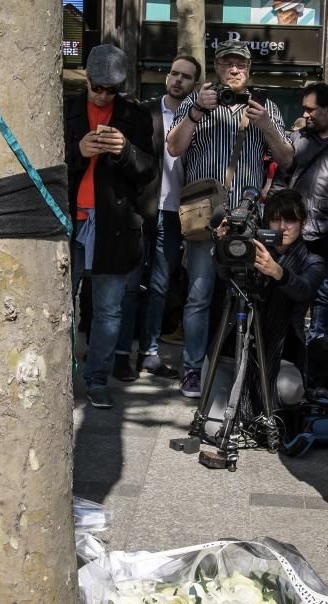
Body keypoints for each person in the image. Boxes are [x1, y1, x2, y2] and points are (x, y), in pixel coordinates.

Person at [166, 39, 293, 399]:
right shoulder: (198, 99)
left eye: (240, 64)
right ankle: (192, 369)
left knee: (242, 297)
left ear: (249, 69)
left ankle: (239, 367)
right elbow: (173, 148)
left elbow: (286, 158)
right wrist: (195, 113)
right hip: (204, 220)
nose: (234, 70)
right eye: (227, 64)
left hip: (245, 219)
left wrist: (266, 125)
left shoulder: (263, 105)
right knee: (199, 296)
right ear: (217, 68)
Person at [65, 44, 157, 409]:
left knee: (108, 311)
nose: (102, 94)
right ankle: (59, 375)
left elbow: (149, 171)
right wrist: (78, 152)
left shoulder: (135, 116)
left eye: (110, 89)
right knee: (61, 307)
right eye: (97, 87)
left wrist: (126, 152)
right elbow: (43, 166)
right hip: (70, 220)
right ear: (86, 79)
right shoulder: (67, 109)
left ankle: (97, 378)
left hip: (115, 225)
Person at [113, 54, 199, 381]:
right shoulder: (144, 111)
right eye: (174, 73)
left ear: (194, 83)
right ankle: (123, 353)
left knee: (161, 288)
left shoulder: (201, 118)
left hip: (178, 212)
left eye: (186, 77)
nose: (178, 80)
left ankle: (149, 353)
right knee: (131, 286)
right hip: (141, 208)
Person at [216, 189, 325, 406]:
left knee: (289, 389)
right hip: (233, 350)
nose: (283, 227)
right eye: (275, 220)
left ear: (302, 222)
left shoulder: (313, 261)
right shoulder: (253, 250)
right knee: (213, 427)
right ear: (267, 223)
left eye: (290, 220)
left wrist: (277, 272)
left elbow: (303, 289)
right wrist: (222, 246)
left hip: (282, 353)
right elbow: (223, 275)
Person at [271, 82, 328, 341]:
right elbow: (282, 178)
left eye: (310, 109)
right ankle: (292, 345)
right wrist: (277, 216)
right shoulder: (298, 138)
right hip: (297, 230)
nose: (304, 115)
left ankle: (317, 349)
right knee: (289, 288)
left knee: (326, 294)